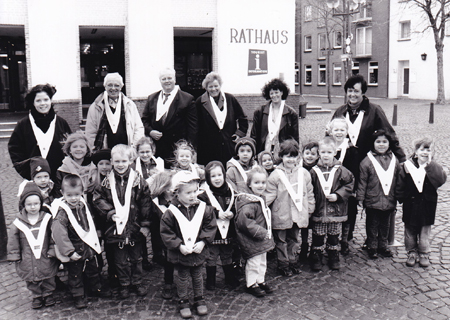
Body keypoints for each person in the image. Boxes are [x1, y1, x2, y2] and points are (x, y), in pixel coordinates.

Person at [331, 74, 406, 250]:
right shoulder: (340, 112)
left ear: (363, 93)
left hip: (369, 164)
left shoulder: (374, 110)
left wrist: (402, 159)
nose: (352, 95)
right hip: (345, 164)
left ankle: (374, 239)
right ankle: (345, 236)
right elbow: (330, 135)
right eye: (349, 91)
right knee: (346, 198)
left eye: (356, 91)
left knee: (370, 200)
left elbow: (389, 135)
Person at [92, 144, 151, 299]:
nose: (120, 164)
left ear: (130, 160)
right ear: (111, 161)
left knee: (136, 258)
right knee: (120, 260)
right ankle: (124, 283)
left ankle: (137, 282)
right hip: (115, 228)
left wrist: (145, 224)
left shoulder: (138, 180)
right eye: (117, 161)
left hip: (134, 226)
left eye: (123, 161)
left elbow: (145, 203)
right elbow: (98, 199)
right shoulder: (105, 182)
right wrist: (110, 212)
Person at [160, 171, 217, 318]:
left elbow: (210, 226)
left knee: (198, 275)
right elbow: (167, 233)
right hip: (181, 252)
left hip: (198, 249)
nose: (193, 195)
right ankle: (183, 300)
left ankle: (199, 298)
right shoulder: (170, 212)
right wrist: (179, 246)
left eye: (195, 191)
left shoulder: (203, 208)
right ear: (177, 193)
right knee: (182, 276)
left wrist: (203, 242)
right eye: (188, 193)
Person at [51, 174, 110, 309]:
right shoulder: (61, 213)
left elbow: (91, 219)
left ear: (82, 192)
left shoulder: (83, 204)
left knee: (93, 269)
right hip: (75, 249)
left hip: (88, 247)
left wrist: (96, 231)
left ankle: (96, 288)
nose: (73, 198)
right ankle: (77, 295)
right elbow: (60, 235)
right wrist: (69, 252)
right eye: (69, 195)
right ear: (62, 193)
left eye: (77, 194)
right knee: (75, 274)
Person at [265, 140, 315, 276]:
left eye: (293, 156)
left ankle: (293, 260)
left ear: (298, 157)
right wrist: (262, 207)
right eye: (287, 156)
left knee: (293, 239)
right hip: (281, 213)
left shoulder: (304, 173)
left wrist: (310, 208)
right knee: (281, 241)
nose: (290, 159)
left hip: (297, 213)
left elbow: (309, 192)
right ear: (281, 156)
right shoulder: (275, 175)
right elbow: (269, 194)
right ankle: (283, 263)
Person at [396, 137, 447, 268]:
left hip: (427, 203)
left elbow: (440, 180)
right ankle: (411, 252)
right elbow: (400, 183)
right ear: (416, 152)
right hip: (411, 202)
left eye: (428, 150)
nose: (425, 153)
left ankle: (424, 253)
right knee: (410, 229)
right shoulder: (407, 166)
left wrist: (430, 166)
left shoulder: (433, 166)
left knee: (425, 230)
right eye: (422, 149)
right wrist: (400, 197)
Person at [7, 182, 58, 309]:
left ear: (41, 204)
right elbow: (13, 240)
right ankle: (36, 296)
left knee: (48, 276)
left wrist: (53, 250)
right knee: (31, 278)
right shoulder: (18, 222)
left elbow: (53, 236)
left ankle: (48, 294)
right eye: (29, 204)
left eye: (36, 203)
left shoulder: (47, 219)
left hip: (45, 254)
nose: (33, 207)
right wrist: (15, 255)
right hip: (27, 256)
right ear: (23, 205)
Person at [8, 84, 72, 181]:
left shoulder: (61, 123)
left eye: (46, 100)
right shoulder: (23, 125)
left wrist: (64, 172)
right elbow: (15, 150)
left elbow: (70, 148)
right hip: (34, 179)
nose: (43, 103)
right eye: (38, 101)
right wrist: (28, 173)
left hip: (59, 180)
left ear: (50, 101)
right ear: (33, 103)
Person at [309, 137, 354, 271]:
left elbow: (350, 184)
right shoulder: (314, 171)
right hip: (320, 210)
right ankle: (316, 253)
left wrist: (338, 195)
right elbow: (309, 188)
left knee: (334, 234)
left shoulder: (341, 170)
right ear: (319, 153)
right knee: (318, 234)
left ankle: (333, 253)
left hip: (337, 210)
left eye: (329, 152)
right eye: (323, 152)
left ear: (335, 152)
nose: (326, 155)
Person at [356, 130, 402, 259]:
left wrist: (399, 195)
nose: (381, 145)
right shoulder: (367, 161)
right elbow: (362, 181)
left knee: (385, 225)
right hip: (372, 199)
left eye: (384, 142)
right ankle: (372, 246)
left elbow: (398, 179)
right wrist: (360, 197)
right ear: (373, 143)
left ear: (389, 143)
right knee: (372, 224)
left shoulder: (394, 160)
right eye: (378, 142)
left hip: (389, 199)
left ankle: (383, 245)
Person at [142, 68, 197, 168]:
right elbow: (144, 120)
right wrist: (150, 131)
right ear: (160, 81)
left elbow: (192, 127)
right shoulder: (152, 98)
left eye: (169, 78)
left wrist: (189, 148)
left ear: (175, 79)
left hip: (177, 148)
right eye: (164, 79)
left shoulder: (187, 99)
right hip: (156, 147)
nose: (167, 81)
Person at [198, 161, 240, 291]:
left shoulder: (229, 191)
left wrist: (232, 213)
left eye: (219, 175)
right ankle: (211, 281)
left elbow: (234, 205)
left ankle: (230, 279)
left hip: (227, 230)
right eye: (213, 176)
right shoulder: (204, 194)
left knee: (227, 254)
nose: (217, 179)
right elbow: (203, 209)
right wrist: (216, 213)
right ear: (208, 178)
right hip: (213, 230)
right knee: (211, 256)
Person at [234, 166, 275, 298]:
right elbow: (245, 222)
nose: (260, 185)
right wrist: (261, 232)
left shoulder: (259, 198)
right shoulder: (249, 203)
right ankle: (251, 283)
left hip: (260, 237)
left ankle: (260, 280)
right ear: (249, 184)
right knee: (254, 262)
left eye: (263, 182)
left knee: (262, 260)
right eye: (256, 183)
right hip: (253, 238)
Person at [196, 71, 248, 166]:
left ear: (220, 85)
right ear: (206, 88)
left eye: (216, 86)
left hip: (229, 146)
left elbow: (243, 119)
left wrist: (239, 134)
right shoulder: (200, 102)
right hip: (209, 148)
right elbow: (196, 125)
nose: (214, 89)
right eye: (210, 86)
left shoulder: (230, 99)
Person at [85, 72, 144, 151]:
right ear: (105, 86)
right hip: (104, 151)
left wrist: (134, 148)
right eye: (109, 85)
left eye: (116, 85)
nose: (113, 88)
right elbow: (90, 132)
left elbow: (138, 128)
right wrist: (95, 150)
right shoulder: (95, 107)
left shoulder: (129, 105)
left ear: (121, 87)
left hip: (126, 151)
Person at [326, 117, 358, 255]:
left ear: (347, 131)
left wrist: (354, 189)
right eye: (336, 129)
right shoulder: (327, 148)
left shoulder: (352, 150)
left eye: (342, 130)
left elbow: (356, 170)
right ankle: (330, 239)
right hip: (330, 188)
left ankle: (345, 239)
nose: (339, 132)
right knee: (331, 212)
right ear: (330, 131)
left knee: (349, 213)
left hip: (347, 189)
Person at [251, 78, 299, 160]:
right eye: (271, 93)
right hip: (263, 151)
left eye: (276, 92)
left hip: (283, 152)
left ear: (282, 93)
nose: (274, 95)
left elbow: (294, 138)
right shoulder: (259, 112)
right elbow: (254, 135)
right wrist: (253, 153)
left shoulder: (291, 114)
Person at [148, 171, 175, 299]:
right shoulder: (155, 203)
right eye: (170, 187)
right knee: (169, 260)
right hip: (163, 236)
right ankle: (168, 283)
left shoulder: (178, 199)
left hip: (179, 234)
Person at [55, 132, 96, 197]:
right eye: (75, 147)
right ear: (69, 150)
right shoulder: (62, 171)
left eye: (82, 147)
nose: (78, 149)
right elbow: (58, 193)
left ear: (87, 150)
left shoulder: (93, 168)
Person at [298, 141, 320, 261]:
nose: (310, 156)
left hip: (317, 199)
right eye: (307, 153)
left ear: (318, 156)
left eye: (313, 154)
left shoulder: (318, 167)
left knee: (316, 224)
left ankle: (315, 248)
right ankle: (304, 244)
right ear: (302, 154)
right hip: (303, 200)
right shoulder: (299, 167)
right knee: (304, 225)